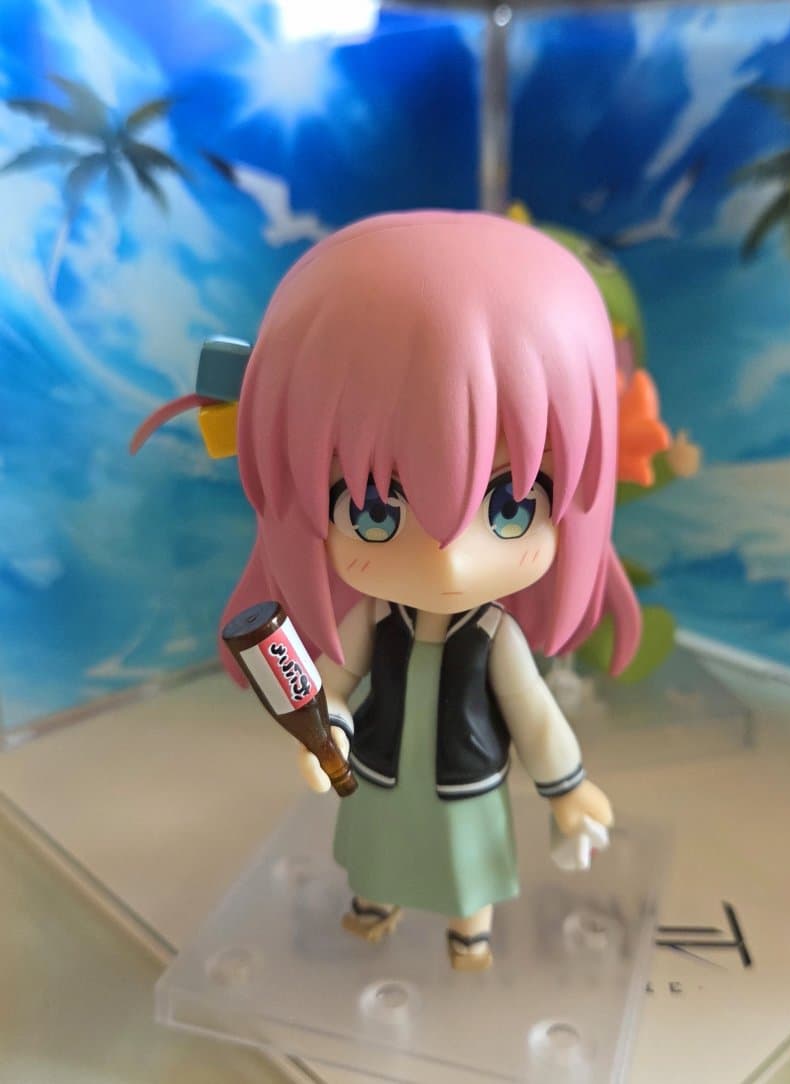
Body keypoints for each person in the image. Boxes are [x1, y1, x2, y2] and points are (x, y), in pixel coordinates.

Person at [135, 210, 642, 971]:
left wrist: (566, 788)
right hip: (378, 771)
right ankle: (375, 904)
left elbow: (534, 713)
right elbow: (333, 684)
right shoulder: (376, 618)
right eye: (374, 511)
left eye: (511, 507)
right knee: (377, 849)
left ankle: (469, 931)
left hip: (467, 782)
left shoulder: (493, 637)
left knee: (467, 859)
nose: (450, 562)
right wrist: (330, 729)